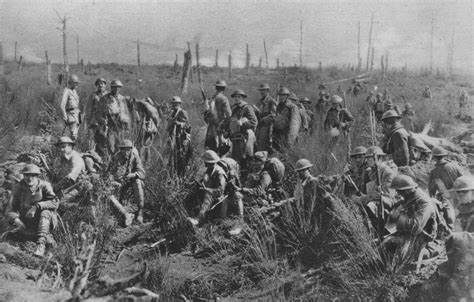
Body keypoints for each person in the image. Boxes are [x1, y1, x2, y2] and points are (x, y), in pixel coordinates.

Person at [7, 164, 59, 257]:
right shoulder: (18, 187)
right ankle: (41, 238)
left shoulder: (44, 185)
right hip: (26, 220)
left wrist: (37, 206)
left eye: (33, 175)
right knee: (10, 234)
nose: (30, 178)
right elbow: (10, 209)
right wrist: (16, 219)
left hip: (45, 220)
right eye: (27, 175)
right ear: (23, 176)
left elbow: (54, 202)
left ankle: (40, 245)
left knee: (45, 212)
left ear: (37, 176)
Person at [383, 175, 438, 257]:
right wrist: (384, 200)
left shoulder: (424, 203)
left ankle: (429, 252)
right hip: (407, 233)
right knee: (383, 245)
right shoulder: (409, 196)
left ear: (406, 190)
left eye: (399, 191)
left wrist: (398, 217)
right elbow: (396, 204)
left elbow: (416, 227)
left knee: (400, 255)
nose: (397, 193)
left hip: (421, 237)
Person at [428, 146, 467, 231]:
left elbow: (432, 189)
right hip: (459, 193)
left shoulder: (434, 172)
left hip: (447, 196)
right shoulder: (454, 165)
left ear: (434, 157)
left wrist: (432, 197)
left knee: (450, 217)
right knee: (460, 213)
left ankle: (452, 232)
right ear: (444, 155)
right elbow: (463, 178)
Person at [107, 139, 146, 224]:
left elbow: (142, 172)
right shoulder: (115, 158)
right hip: (119, 184)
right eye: (123, 149)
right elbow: (109, 174)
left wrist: (133, 175)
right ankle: (124, 213)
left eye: (128, 149)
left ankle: (140, 211)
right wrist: (113, 181)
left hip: (130, 182)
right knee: (109, 194)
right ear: (120, 150)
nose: (126, 152)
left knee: (138, 182)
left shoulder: (135, 157)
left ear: (131, 149)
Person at [95, 79, 133, 159]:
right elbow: (98, 114)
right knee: (110, 147)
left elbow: (126, 113)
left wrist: (128, 127)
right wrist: (103, 122)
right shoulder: (104, 99)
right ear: (111, 88)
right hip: (110, 127)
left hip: (121, 128)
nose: (116, 89)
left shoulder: (122, 99)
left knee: (121, 147)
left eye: (118, 87)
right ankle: (110, 164)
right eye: (114, 87)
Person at [189, 150, 228, 226]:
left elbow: (220, 191)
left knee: (207, 196)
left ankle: (198, 219)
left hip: (217, 197)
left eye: (206, 162)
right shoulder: (208, 170)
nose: (205, 164)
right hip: (208, 192)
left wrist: (207, 190)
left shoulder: (220, 173)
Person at [224, 89, 257, 172]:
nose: (236, 98)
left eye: (239, 97)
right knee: (235, 159)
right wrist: (227, 131)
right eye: (235, 97)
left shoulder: (247, 108)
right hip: (234, 138)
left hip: (244, 138)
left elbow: (254, 122)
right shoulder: (233, 108)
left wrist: (243, 123)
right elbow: (229, 122)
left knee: (245, 159)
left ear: (242, 98)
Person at [52, 136, 86, 206]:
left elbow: (71, 177)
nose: (61, 149)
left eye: (64, 147)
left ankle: (76, 208)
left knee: (57, 202)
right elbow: (56, 172)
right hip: (64, 187)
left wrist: (56, 186)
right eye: (59, 147)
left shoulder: (76, 158)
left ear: (70, 146)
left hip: (76, 188)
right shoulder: (62, 158)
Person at [203, 80, 232, 155]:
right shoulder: (223, 99)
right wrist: (225, 126)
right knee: (223, 150)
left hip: (211, 129)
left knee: (212, 150)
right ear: (224, 88)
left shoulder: (211, 99)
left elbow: (205, 116)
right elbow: (229, 115)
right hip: (220, 128)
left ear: (216, 88)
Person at [167, 96, 191, 177]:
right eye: (173, 104)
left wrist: (179, 124)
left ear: (180, 104)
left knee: (181, 156)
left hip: (181, 137)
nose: (174, 105)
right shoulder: (172, 112)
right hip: (172, 137)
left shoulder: (182, 112)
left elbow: (187, 125)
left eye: (176, 103)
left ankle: (181, 175)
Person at [87, 78, 108, 150]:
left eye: (102, 83)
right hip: (95, 120)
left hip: (105, 119)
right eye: (98, 84)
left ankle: (103, 154)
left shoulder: (108, 95)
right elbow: (89, 108)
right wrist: (88, 120)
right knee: (93, 138)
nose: (100, 85)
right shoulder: (93, 95)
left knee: (105, 138)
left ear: (105, 85)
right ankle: (92, 153)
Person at [255, 83, 277, 153]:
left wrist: (264, 119)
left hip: (268, 126)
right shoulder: (259, 102)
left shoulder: (271, 101)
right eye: (260, 90)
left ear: (267, 91)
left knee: (267, 145)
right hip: (260, 126)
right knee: (258, 143)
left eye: (263, 90)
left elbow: (273, 115)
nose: (261, 92)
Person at [60, 75, 81, 141]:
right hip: (71, 115)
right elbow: (62, 105)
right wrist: (65, 117)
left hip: (77, 116)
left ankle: (72, 150)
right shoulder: (67, 91)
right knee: (72, 136)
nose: (77, 84)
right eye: (75, 82)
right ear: (70, 83)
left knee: (75, 136)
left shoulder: (75, 92)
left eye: (77, 82)